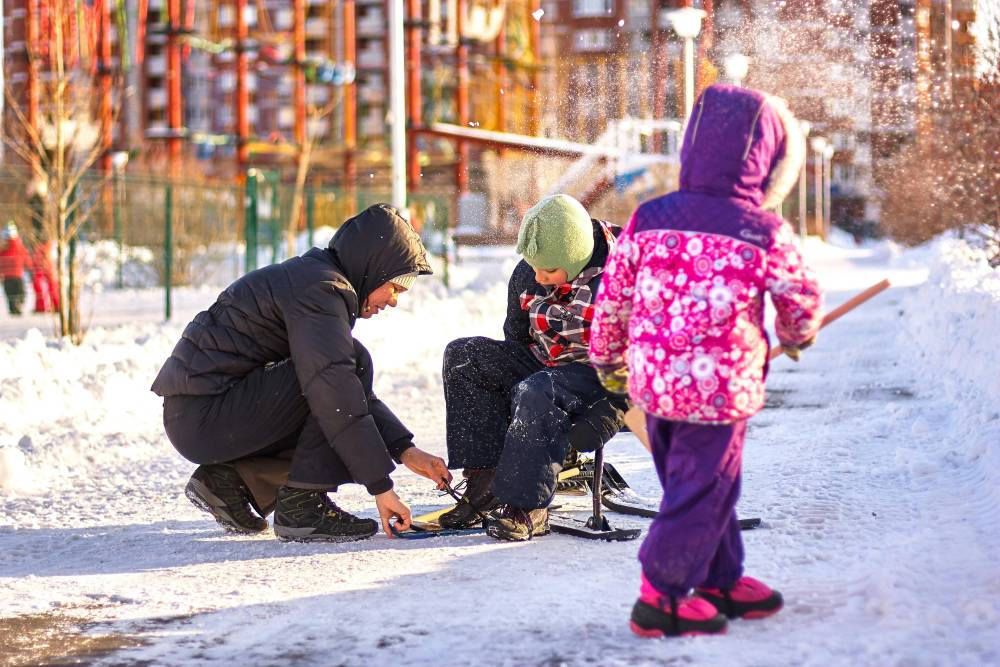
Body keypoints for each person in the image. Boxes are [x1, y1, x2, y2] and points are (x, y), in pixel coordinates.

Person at [589, 84, 823, 637]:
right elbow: (800, 296)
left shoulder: (648, 217)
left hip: (654, 384)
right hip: (717, 391)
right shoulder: (760, 228)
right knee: (707, 484)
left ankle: (719, 577)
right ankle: (660, 595)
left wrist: (607, 359)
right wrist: (796, 333)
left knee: (692, 483)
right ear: (767, 162)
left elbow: (613, 296)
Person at [152, 204, 452, 542]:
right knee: (338, 380)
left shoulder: (314, 280)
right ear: (373, 267)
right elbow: (336, 393)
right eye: (394, 288)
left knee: (342, 372)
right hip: (206, 416)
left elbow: (347, 389)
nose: (394, 300)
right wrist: (381, 488)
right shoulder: (320, 290)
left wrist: (404, 449)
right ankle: (303, 505)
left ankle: (229, 481)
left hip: (201, 415)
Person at [441, 194, 628, 541]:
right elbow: (515, 335)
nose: (538, 277)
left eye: (549, 270)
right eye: (533, 266)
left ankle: (527, 506)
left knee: (540, 389)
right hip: (545, 364)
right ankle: (487, 481)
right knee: (465, 357)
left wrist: (614, 409)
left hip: (600, 375)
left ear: (575, 257)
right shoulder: (530, 272)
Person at [0, 222, 29, 316]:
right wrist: (29, 266)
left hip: (9, 275)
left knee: (11, 294)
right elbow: (26, 256)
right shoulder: (18, 245)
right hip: (16, 274)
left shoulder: (4, 247)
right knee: (18, 292)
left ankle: (14, 307)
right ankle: (17, 305)